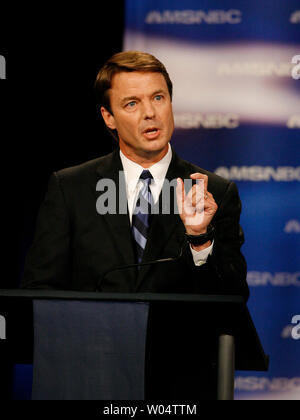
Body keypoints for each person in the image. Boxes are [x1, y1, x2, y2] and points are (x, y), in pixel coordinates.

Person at [21, 51, 249, 399]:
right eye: (131, 103)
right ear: (108, 117)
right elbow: (41, 291)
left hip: (178, 386)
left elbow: (232, 297)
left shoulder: (213, 192)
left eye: (158, 97)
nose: (149, 113)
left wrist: (200, 238)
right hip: (90, 377)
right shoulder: (71, 188)